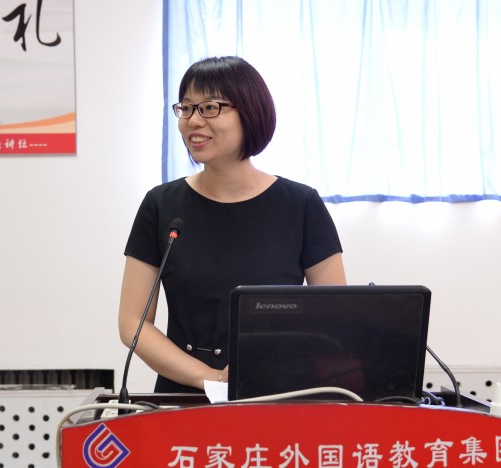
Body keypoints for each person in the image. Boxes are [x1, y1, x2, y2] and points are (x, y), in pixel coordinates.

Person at [118, 56, 346, 393]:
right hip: (183, 395)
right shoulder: (161, 205)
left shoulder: (301, 205)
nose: (194, 121)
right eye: (186, 108)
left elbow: (335, 318)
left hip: (278, 392)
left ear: (250, 113)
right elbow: (133, 322)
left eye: (210, 108)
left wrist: (261, 367)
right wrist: (208, 377)